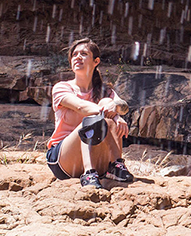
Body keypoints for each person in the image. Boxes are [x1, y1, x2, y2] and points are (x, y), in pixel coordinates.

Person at [45, 38, 134, 188]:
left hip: (99, 160)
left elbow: (123, 106)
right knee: (96, 116)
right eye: (75, 55)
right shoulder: (61, 88)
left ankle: (116, 166)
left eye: (84, 54)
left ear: (96, 61)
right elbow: (81, 107)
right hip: (64, 160)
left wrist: (115, 108)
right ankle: (88, 172)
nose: (78, 57)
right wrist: (114, 115)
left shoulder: (104, 90)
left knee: (106, 103)